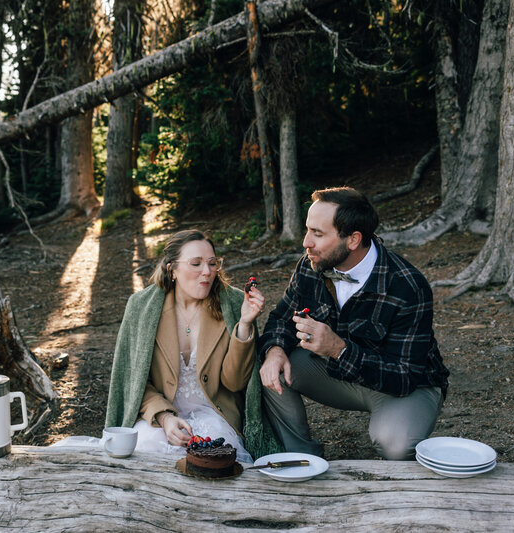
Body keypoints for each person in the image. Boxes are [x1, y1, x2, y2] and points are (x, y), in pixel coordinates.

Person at [258, 187, 450, 460]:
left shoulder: (407, 285)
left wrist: (339, 349)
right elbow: (281, 319)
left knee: (394, 443)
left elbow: (405, 376)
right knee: (267, 366)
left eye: (318, 234)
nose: (306, 242)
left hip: (405, 386)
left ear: (353, 240)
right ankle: (300, 457)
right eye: (307, 230)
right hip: (335, 373)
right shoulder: (311, 265)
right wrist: (275, 350)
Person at [106, 230, 281, 463]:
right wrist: (165, 418)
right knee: (144, 454)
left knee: (215, 461)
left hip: (216, 415)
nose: (207, 272)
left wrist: (245, 325)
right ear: (172, 269)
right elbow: (134, 381)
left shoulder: (235, 303)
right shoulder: (141, 307)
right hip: (159, 416)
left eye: (212, 263)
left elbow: (235, 383)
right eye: (196, 264)